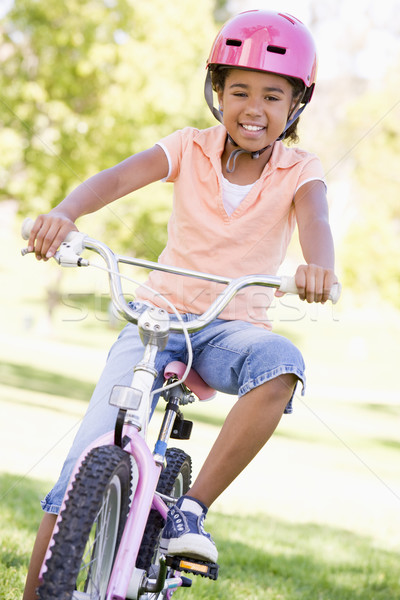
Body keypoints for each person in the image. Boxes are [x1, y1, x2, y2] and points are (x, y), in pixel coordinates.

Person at [23, 9, 338, 599]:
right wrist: (66, 214)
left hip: (231, 327)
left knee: (282, 367)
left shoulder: (301, 169)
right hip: (158, 320)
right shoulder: (189, 148)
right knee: (84, 457)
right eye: (239, 89)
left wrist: (320, 264)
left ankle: (191, 509)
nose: (254, 107)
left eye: (273, 95)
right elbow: (116, 180)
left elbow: (315, 218)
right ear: (216, 91)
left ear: (297, 103)